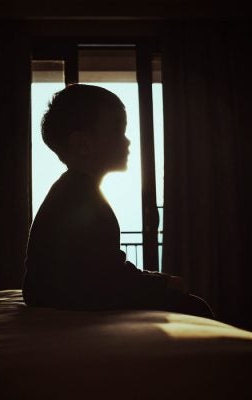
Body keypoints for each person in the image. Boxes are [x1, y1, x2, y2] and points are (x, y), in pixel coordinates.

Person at [22, 84, 213, 318]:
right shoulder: (81, 199)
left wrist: (156, 280)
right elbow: (106, 280)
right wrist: (160, 284)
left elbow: (104, 267)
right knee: (195, 308)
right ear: (83, 145)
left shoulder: (73, 190)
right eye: (117, 131)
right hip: (72, 298)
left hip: (62, 294)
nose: (128, 141)